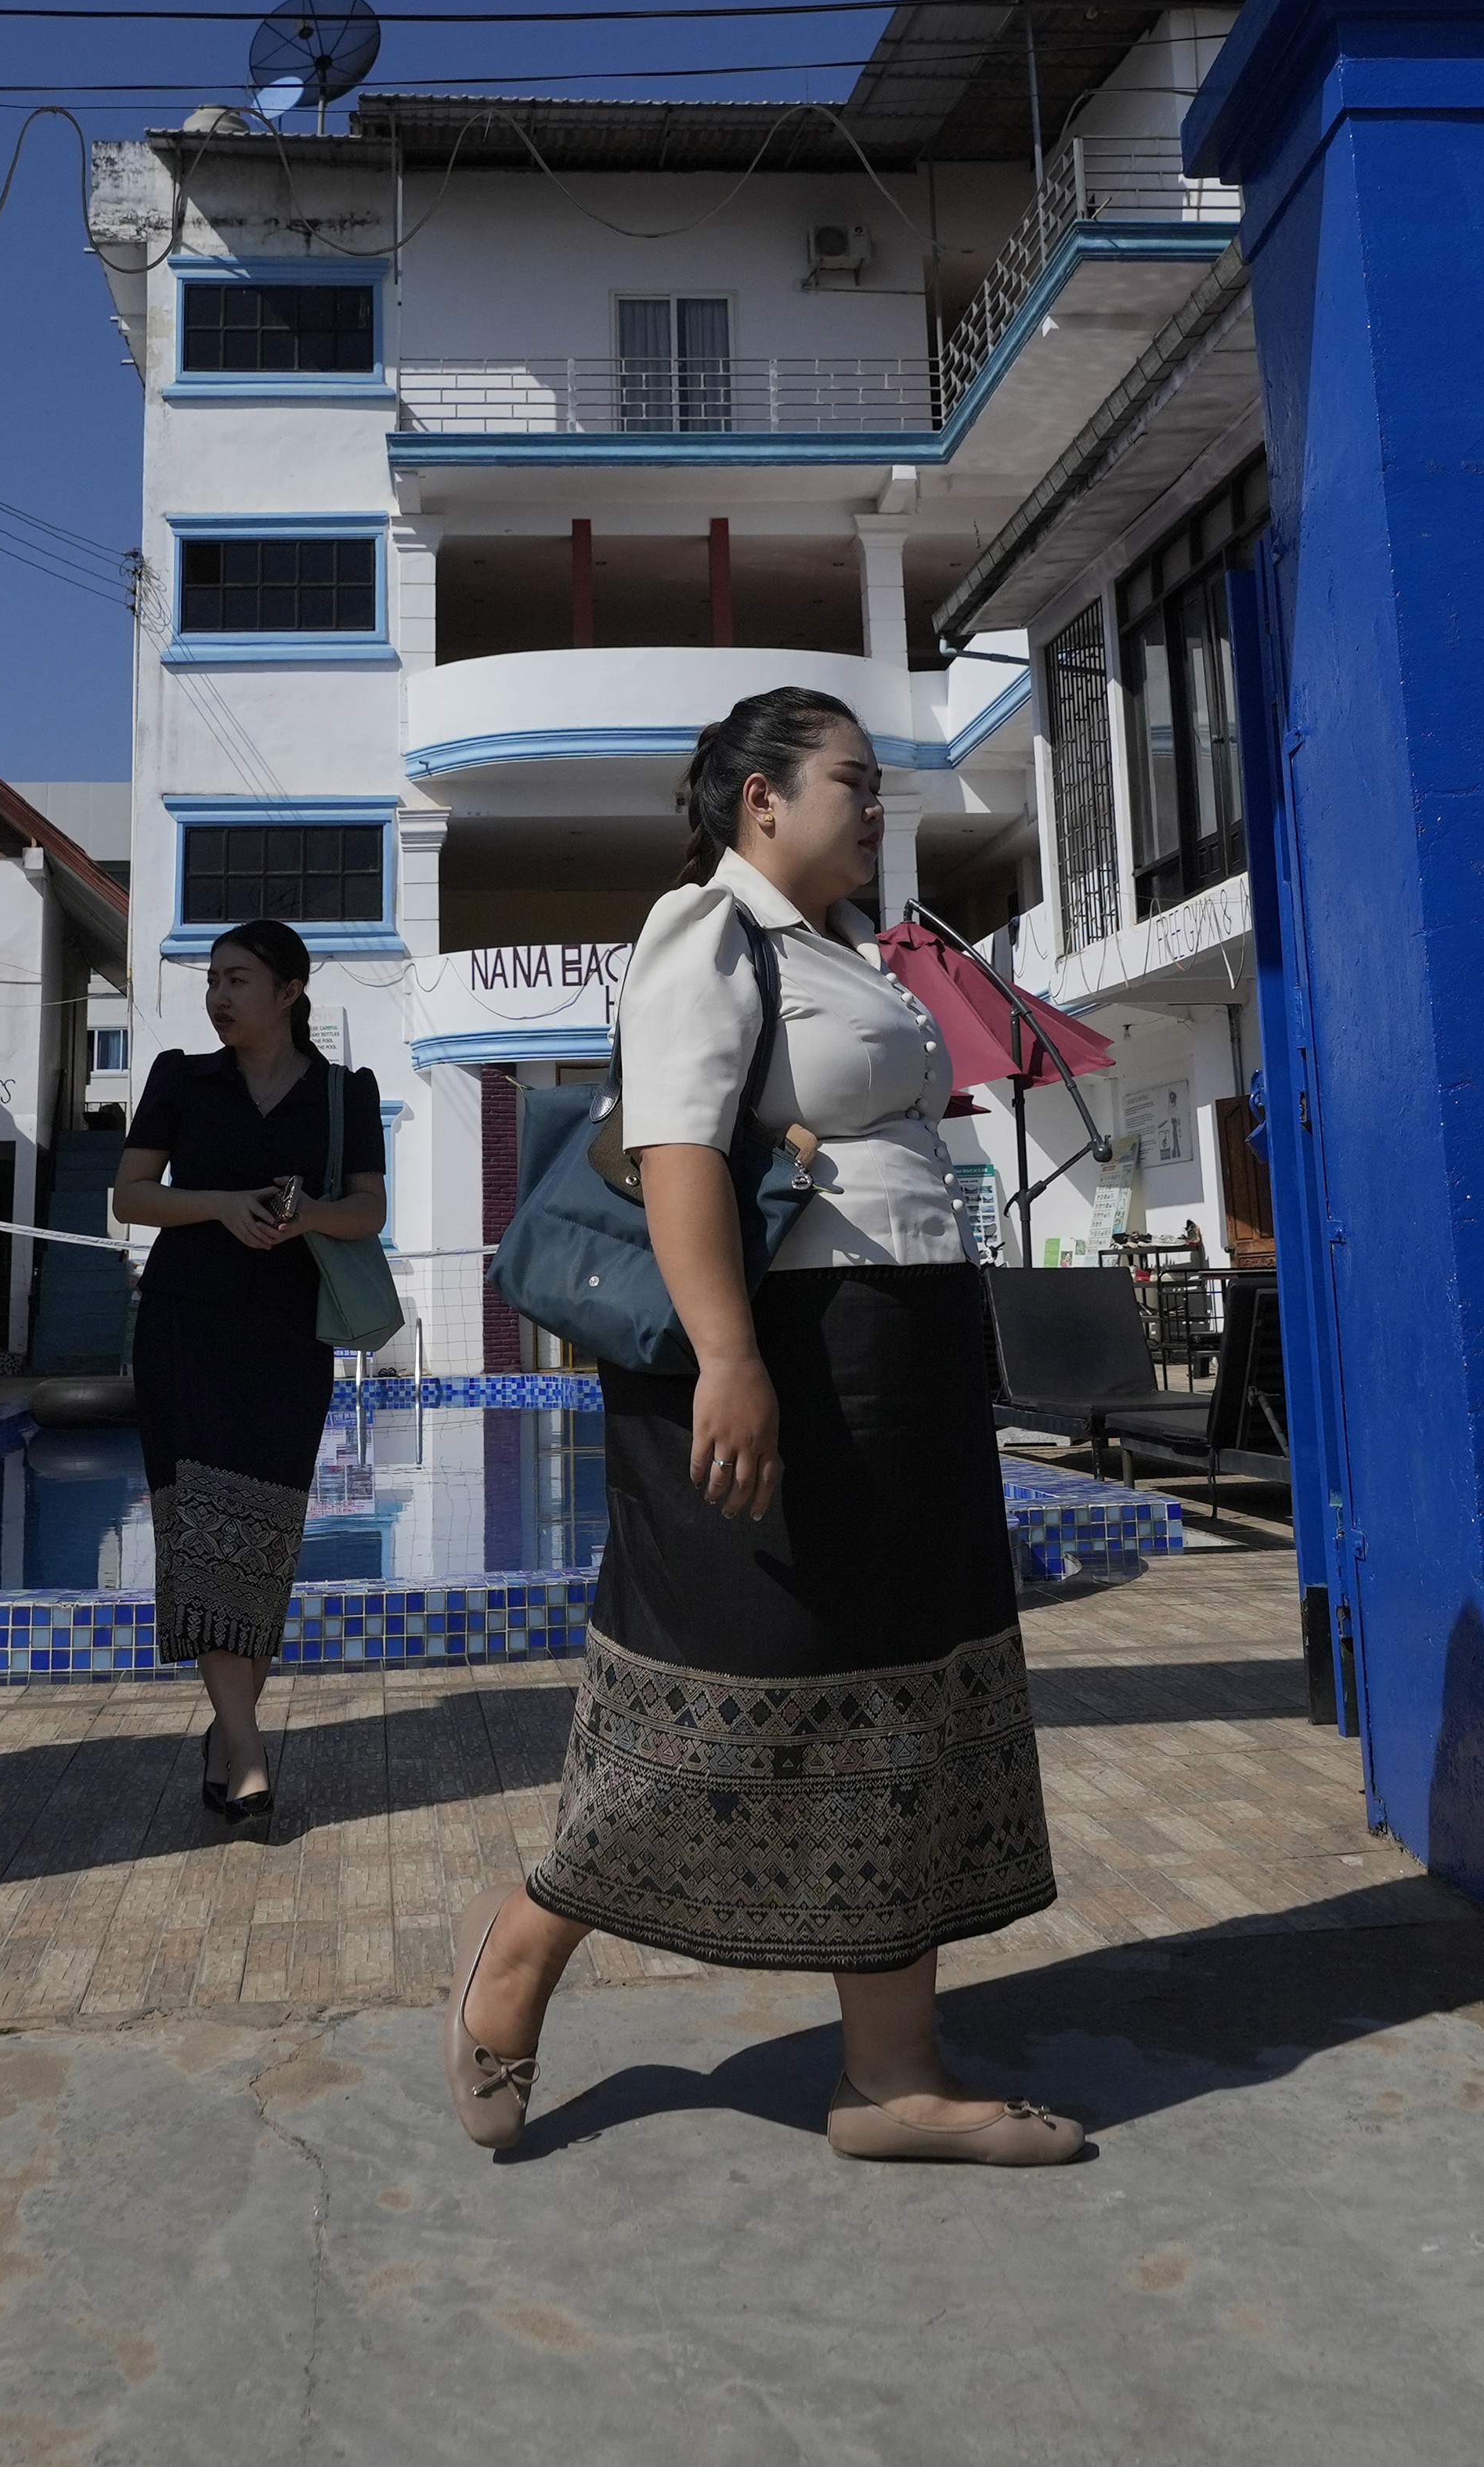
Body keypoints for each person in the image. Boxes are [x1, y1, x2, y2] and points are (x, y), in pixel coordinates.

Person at [447, 689, 1076, 2167]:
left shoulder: (845, 952)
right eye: (849, 782)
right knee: (731, 1697)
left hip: (896, 1356)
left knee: (903, 1693)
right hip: (781, 1359)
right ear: (757, 802)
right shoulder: (703, 934)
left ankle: (890, 2076)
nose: (874, 806)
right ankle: (521, 1946)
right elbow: (672, 1148)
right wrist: (731, 1359)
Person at [114, 919, 387, 1825]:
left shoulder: (346, 1092)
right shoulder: (178, 1079)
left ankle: (226, 1734)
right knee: (201, 1541)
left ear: (290, 990)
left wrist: (306, 1213)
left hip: (285, 1340)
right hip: (184, 1328)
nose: (218, 996)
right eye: (212, 980)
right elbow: (130, 1194)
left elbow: (366, 1211)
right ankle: (251, 1750)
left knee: (262, 1544)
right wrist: (223, 1205)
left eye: (238, 979)